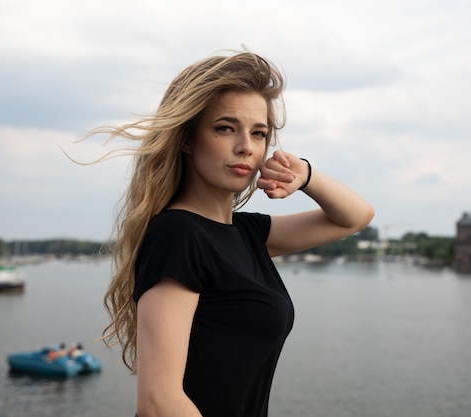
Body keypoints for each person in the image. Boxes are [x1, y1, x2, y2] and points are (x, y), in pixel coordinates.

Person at [97, 50, 374, 417]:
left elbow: (354, 217)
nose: (246, 146)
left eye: (258, 133)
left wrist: (304, 175)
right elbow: (158, 402)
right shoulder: (178, 233)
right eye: (225, 128)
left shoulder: (247, 233)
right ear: (188, 139)